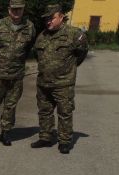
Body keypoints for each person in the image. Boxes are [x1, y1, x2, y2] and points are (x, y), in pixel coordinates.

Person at [31, 4, 88, 154]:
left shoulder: (74, 34)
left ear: (61, 17)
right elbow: (37, 56)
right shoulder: (42, 36)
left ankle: (64, 141)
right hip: (43, 82)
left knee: (65, 112)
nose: (48, 21)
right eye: (46, 19)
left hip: (63, 83)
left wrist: (67, 69)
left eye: (51, 18)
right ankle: (45, 137)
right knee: (44, 111)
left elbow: (81, 53)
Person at [0, 0, 35, 146]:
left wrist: (17, 62)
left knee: (10, 106)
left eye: (19, 9)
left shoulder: (29, 27)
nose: (16, 12)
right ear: (9, 9)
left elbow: (28, 48)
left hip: (16, 75)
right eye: (14, 9)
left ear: (23, 10)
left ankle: (6, 132)